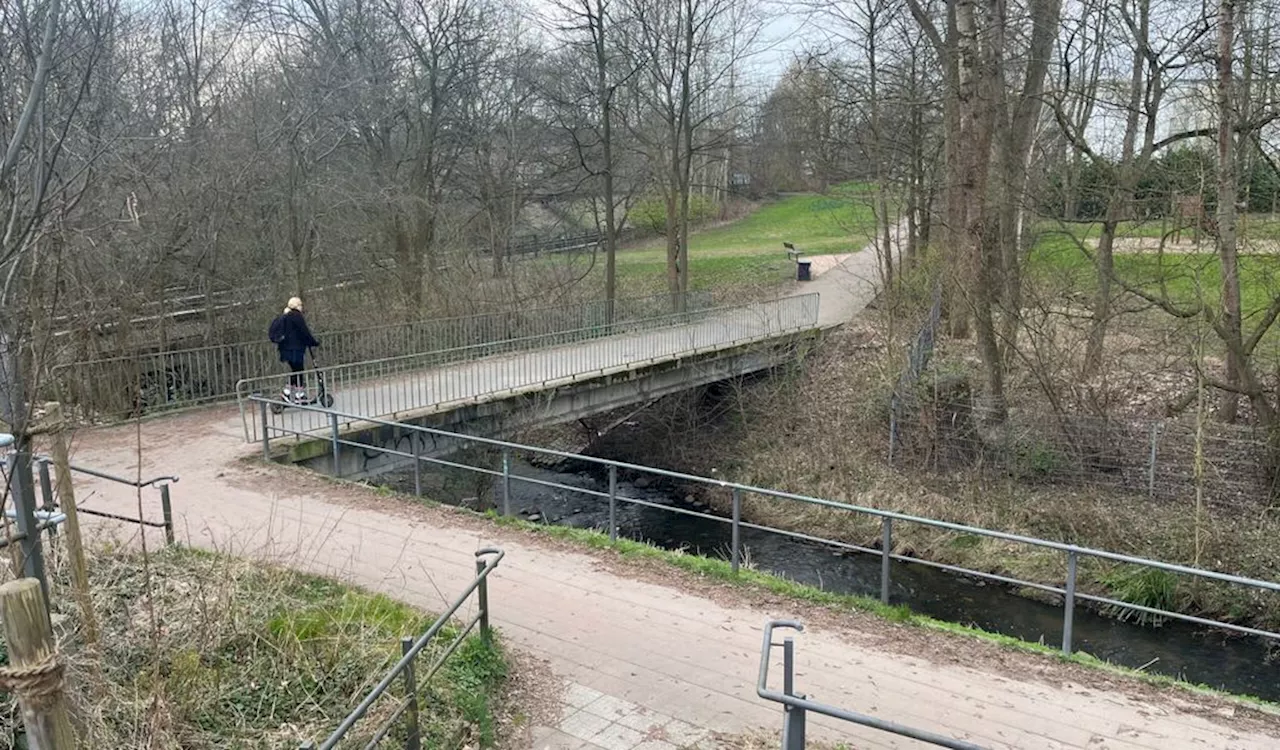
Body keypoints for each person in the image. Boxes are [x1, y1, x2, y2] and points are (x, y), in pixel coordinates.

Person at [270, 297, 319, 403]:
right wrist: (313, 342)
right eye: (300, 305)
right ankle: (297, 394)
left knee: (295, 370)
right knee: (298, 370)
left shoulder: (285, 316)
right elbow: (304, 331)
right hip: (295, 349)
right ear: (297, 306)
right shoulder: (296, 316)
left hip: (286, 349)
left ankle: (289, 392)